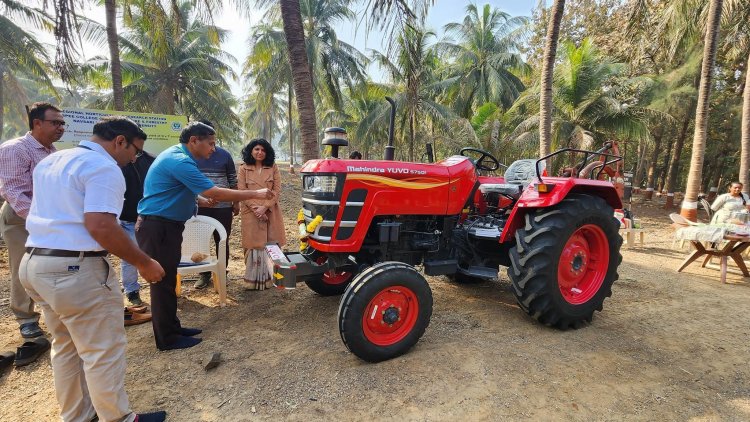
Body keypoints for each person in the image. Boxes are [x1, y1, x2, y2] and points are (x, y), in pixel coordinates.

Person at [20, 116, 167, 422]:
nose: (133, 159)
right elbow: (101, 225)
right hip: (75, 269)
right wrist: (144, 261)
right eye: (135, 151)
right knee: (102, 350)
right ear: (120, 142)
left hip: (36, 262)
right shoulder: (104, 167)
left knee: (67, 346)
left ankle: (79, 416)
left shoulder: (54, 160)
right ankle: (119, 418)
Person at [136, 122, 274, 351]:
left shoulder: (179, 157)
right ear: (194, 141)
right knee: (161, 282)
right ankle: (167, 339)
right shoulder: (179, 161)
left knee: (168, 280)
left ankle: (174, 327)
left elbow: (175, 190)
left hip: (166, 226)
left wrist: (197, 201)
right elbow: (214, 191)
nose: (213, 149)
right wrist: (255, 193)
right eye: (210, 144)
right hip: (158, 227)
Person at [0, 102, 64, 339]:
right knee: (22, 266)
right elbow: (15, 192)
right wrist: (42, 221)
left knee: (50, 264)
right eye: (55, 123)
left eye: (62, 123)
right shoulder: (15, 149)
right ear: (37, 123)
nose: (61, 127)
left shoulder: (52, 151)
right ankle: (26, 318)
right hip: (21, 217)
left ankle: (54, 309)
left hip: (48, 216)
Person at [193, 120, 238, 289]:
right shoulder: (190, 157)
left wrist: (236, 203)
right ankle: (204, 274)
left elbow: (232, 180)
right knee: (201, 242)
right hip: (201, 207)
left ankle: (221, 271)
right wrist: (200, 198)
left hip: (223, 208)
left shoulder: (225, 155)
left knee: (222, 240)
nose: (211, 145)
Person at [238, 139, 286, 290]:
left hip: (271, 211)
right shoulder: (243, 168)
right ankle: (252, 282)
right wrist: (256, 209)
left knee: (272, 243)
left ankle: (272, 279)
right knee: (253, 245)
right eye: (256, 149)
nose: (260, 152)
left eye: (263, 150)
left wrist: (264, 208)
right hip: (250, 212)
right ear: (251, 151)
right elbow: (241, 191)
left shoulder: (273, 167)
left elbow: (277, 191)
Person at [120, 150, 156, 305]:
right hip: (127, 218)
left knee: (156, 255)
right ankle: (132, 291)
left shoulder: (151, 160)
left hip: (151, 217)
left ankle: (160, 288)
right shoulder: (116, 161)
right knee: (129, 257)